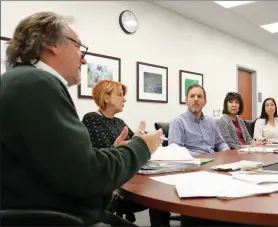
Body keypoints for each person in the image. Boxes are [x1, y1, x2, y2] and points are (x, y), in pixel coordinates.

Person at [0, 12, 163, 226]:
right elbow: (88, 177)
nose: (84, 59)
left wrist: (117, 151)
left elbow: (66, 164)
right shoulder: (36, 84)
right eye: (78, 47)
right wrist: (142, 146)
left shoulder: (21, 81)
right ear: (51, 44)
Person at [82, 80, 169, 226]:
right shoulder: (92, 119)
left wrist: (142, 138)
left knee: (161, 193)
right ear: (106, 98)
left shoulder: (118, 122)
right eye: (120, 95)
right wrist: (120, 146)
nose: (125, 99)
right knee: (158, 195)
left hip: (130, 176)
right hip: (114, 186)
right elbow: (101, 159)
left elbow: (134, 142)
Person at [168, 84, 229, 155]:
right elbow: (175, 149)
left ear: (205, 102)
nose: (196, 99)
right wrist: (196, 155)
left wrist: (226, 151)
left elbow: (220, 143)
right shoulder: (178, 122)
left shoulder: (211, 122)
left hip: (213, 160)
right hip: (192, 162)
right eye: (192, 96)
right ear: (186, 102)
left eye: (199, 96)